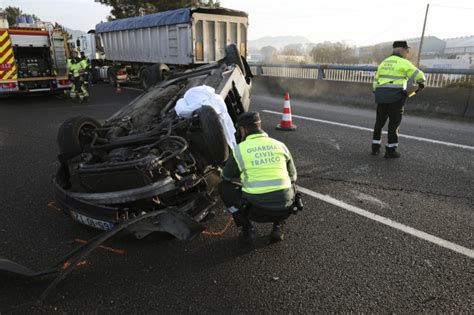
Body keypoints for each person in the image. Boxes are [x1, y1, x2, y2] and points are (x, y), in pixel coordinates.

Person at [218, 112, 298, 243]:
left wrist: (244, 172)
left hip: (255, 211)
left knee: (223, 188)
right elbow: (293, 176)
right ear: (259, 126)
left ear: (242, 130)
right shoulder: (280, 145)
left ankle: (248, 229)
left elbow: (225, 177)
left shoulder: (239, 150)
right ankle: (278, 227)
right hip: (285, 209)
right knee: (290, 185)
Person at [372, 40, 426, 158]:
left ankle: (375, 148)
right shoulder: (403, 62)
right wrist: (421, 83)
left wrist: (376, 91)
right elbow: (419, 75)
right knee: (393, 124)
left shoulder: (383, 63)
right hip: (395, 97)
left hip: (381, 96)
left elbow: (375, 81)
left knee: (379, 123)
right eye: (407, 50)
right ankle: (390, 151)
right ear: (402, 50)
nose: (407, 53)